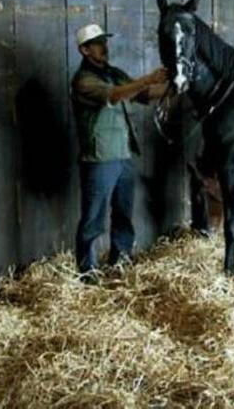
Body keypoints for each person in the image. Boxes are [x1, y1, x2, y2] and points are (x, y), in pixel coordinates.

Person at [71, 23, 167, 279]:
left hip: (123, 154)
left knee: (123, 212)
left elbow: (144, 94)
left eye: (104, 41)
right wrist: (148, 78)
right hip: (100, 158)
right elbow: (114, 96)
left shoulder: (114, 73)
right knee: (94, 217)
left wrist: (173, 85)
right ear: (84, 50)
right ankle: (86, 270)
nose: (104, 47)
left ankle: (120, 259)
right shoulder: (84, 80)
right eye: (98, 43)